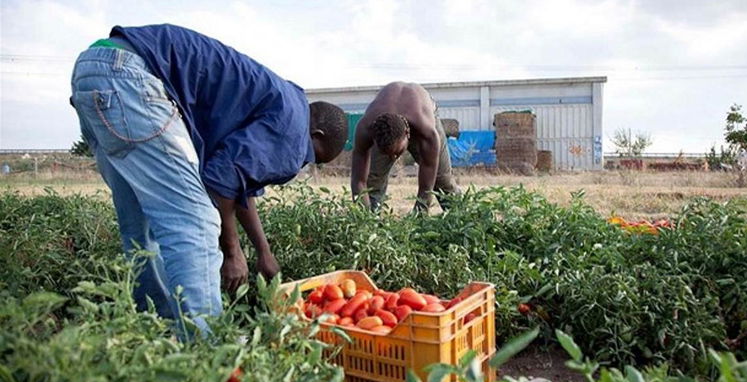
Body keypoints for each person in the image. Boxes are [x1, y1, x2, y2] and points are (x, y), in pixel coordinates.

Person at [70, 24, 348, 335]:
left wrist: (263, 252)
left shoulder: (284, 105)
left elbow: (238, 182)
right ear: (315, 135)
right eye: (311, 156)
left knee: (141, 226)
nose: (301, 163)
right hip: (132, 78)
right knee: (197, 222)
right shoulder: (293, 133)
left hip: (96, 68)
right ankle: (207, 352)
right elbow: (221, 182)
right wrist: (232, 252)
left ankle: (157, 333)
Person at [351, 82, 460, 213]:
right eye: (387, 153)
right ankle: (372, 221)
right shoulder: (366, 128)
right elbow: (358, 181)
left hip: (422, 109)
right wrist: (362, 218)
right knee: (372, 180)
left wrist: (420, 215)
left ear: (408, 134)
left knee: (442, 180)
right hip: (386, 114)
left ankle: (462, 219)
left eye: (397, 153)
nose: (393, 158)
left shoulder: (428, 132)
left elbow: (426, 186)